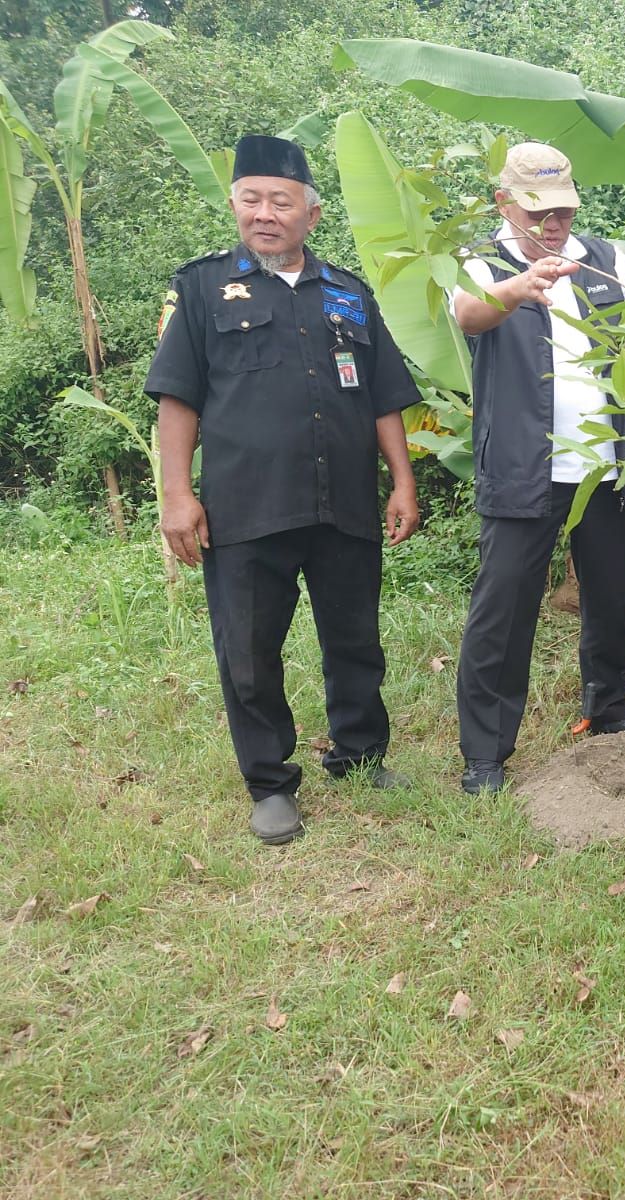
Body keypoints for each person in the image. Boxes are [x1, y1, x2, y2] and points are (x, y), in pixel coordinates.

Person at [146, 134, 421, 845]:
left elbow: (386, 396)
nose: (264, 213)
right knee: (249, 647)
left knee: (356, 636)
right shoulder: (203, 288)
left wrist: (403, 483)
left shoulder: (349, 294)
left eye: (281, 201)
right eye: (251, 199)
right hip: (246, 505)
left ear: (311, 213)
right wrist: (178, 496)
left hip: (345, 501)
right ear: (236, 204)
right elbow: (177, 401)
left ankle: (360, 753)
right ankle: (269, 782)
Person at [452, 141, 625, 796]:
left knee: (613, 593)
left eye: (563, 210)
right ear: (503, 202)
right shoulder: (477, 261)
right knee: (503, 607)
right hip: (522, 466)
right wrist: (515, 288)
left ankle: (608, 707)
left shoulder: (606, 258)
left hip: (604, 465)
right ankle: (486, 753)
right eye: (539, 213)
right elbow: (470, 313)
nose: (554, 226)